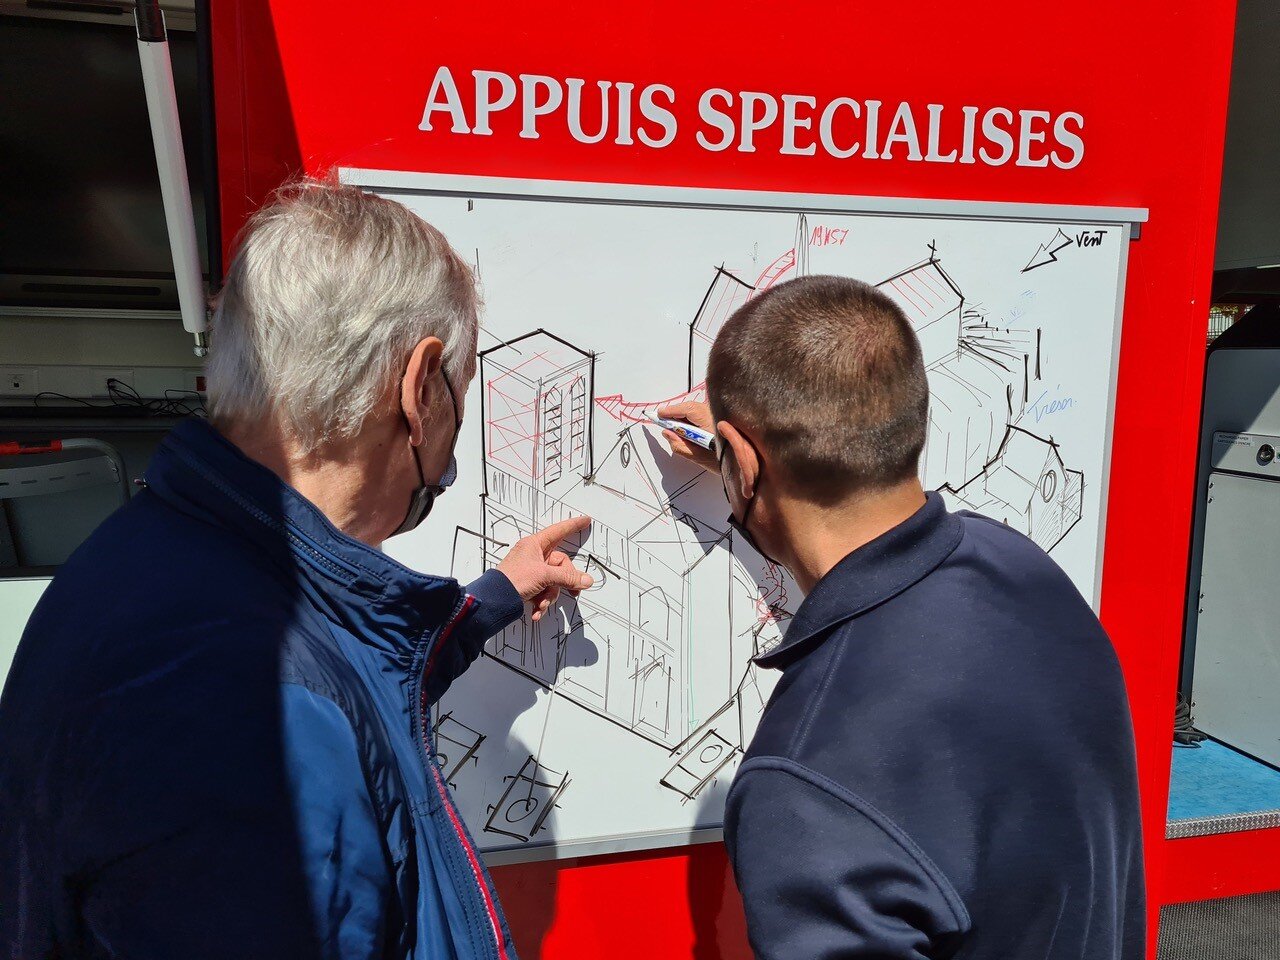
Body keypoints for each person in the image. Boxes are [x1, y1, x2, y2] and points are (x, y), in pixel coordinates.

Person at [0, 180, 592, 959]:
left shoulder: (175, 559)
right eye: (463, 390)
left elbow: (354, 670)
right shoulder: (252, 708)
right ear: (419, 389)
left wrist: (494, 598)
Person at [659, 275, 1144, 959]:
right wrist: (743, 462)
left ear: (743, 461)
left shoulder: (807, 777)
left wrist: (749, 467)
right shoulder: (1026, 572)